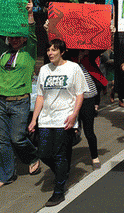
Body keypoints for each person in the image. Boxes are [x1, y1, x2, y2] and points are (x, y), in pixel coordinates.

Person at [28, 39, 88, 206]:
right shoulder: (44, 69)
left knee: (60, 154)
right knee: (44, 153)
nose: (50, 53)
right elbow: (40, 96)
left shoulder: (73, 68)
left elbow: (79, 94)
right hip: (46, 119)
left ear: (62, 52)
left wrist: (74, 115)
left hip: (65, 118)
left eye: (54, 50)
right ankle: (62, 172)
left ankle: (59, 191)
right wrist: (34, 119)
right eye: (48, 50)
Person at [0, 0, 41, 190]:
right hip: (0, 101)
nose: (14, 40)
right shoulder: (3, 52)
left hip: (20, 102)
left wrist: (29, 15)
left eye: (18, 37)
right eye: (11, 37)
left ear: (24, 39)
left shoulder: (29, 52)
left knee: (17, 138)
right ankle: (6, 176)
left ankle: (33, 155)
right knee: (1, 141)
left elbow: (33, 34)